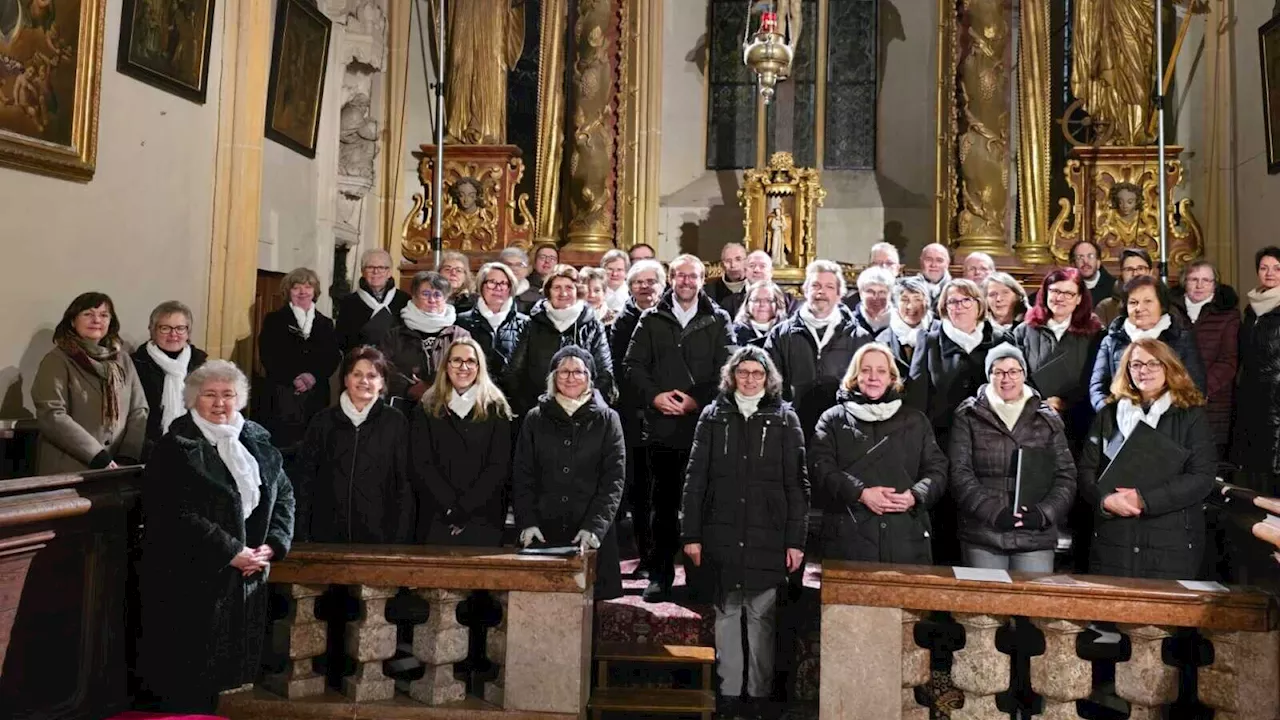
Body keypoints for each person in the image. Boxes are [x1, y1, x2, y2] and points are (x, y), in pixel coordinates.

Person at [137, 360, 294, 713]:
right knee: (194, 680)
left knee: (236, 683)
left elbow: (284, 493)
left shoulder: (255, 437)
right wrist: (232, 551)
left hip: (250, 570)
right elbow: (173, 512)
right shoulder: (175, 445)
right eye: (210, 395)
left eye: (228, 394)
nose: (220, 403)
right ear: (193, 399)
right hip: (194, 575)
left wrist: (272, 545)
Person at [681, 346, 809, 718]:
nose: (750, 379)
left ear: (768, 379)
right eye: (743, 372)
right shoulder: (712, 416)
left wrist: (795, 541)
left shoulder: (786, 419)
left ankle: (758, 695)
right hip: (720, 532)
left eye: (757, 373)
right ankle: (729, 693)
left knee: (761, 617)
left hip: (768, 535)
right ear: (731, 376)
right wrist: (691, 534)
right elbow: (695, 480)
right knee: (726, 614)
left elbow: (797, 486)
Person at [625, 254, 734, 602]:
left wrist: (697, 401)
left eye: (692, 276)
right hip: (662, 427)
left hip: (704, 427)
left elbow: (729, 367)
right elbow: (632, 365)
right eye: (679, 276)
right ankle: (660, 575)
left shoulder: (718, 319)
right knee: (663, 506)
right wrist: (655, 396)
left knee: (703, 506)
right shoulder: (651, 318)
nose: (685, 282)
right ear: (671, 279)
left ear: (703, 280)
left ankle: (700, 579)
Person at [1078, 339, 1215, 579]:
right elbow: (1087, 471)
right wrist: (1105, 500)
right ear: (1127, 370)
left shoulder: (1191, 414)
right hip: (1115, 537)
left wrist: (1144, 500)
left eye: (1154, 364)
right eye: (1136, 364)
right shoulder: (1109, 414)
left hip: (1171, 539)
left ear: (1168, 367)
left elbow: (1201, 477)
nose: (1144, 371)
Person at [810, 343, 946, 564]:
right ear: (855, 376)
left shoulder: (915, 420)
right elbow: (821, 467)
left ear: (892, 378)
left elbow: (937, 470)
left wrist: (914, 496)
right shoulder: (832, 419)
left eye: (881, 371)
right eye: (866, 370)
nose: (873, 377)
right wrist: (860, 493)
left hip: (905, 538)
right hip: (848, 538)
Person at [949, 344, 1077, 572]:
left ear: (1023, 375)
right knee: (986, 606)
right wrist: (992, 511)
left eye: (1013, 371)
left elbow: (1065, 476)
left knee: (1032, 606)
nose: (1006, 378)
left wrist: (1043, 514)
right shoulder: (968, 415)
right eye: (998, 372)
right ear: (989, 376)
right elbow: (960, 473)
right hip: (984, 533)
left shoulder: (1047, 418)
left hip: (1034, 535)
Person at [513, 346, 625, 598]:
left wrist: (594, 528)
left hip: (589, 531)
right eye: (563, 372)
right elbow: (523, 475)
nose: (571, 377)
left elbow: (613, 481)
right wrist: (528, 522)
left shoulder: (608, 420)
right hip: (544, 530)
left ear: (589, 377)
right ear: (553, 377)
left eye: (578, 371)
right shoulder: (534, 419)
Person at [292, 347, 413, 543]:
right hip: (325, 535)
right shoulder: (323, 421)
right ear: (346, 379)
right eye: (356, 374)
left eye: (372, 375)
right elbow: (305, 479)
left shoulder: (396, 422)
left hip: (380, 536)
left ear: (382, 383)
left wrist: (399, 537)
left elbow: (404, 484)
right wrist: (302, 532)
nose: (364, 381)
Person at [412, 338, 514, 545]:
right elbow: (422, 463)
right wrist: (449, 507)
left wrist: (464, 508)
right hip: (437, 516)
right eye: (456, 360)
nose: (463, 367)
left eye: (470, 361)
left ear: (479, 367)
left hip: (484, 518)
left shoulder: (496, 408)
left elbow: (498, 466)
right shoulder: (427, 407)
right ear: (446, 366)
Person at [32, 292, 148, 473]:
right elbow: (52, 414)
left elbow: (138, 409)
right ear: (72, 321)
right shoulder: (57, 359)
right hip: (70, 467)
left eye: (103, 315)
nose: (96, 320)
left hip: (118, 467)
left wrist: (128, 455)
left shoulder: (123, 359)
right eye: (88, 314)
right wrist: (97, 455)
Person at [767, 260, 873, 438]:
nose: (821, 292)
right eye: (815, 285)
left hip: (843, 431)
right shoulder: (781, 334)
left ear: (840, 294)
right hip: (793, 429)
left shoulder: (859, 337)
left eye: (829, 286)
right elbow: (771, 384)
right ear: (805, 290)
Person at [907, 278, 1012, 450]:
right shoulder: (930, 341)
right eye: (953, 301)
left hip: (992, 438)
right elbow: (916, 396)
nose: (959, 306)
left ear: (979, 304)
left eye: (966, 300)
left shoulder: (1000, 340)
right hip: (942, 439)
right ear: (945, 308)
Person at [609, 259, 666, 574]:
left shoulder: (671, 316)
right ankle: (646, 556)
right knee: (641, 491)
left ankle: (665, 557)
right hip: (635, 415)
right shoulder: (623, 321)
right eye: (638, 283)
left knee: (667, 492)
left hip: (671, 414)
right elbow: (621, 367)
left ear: (661, 285)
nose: (645, 287)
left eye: (650, 281)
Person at [507, 264, 615, 413]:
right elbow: (514, 370)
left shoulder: (592, 325)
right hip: (538, 410)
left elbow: (604, 372)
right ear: (548, 292)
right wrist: (528, 406)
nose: (563, 293)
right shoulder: (532, 324)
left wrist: (584, 406)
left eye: (569, 287)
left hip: (581, 412)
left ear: (577, 290)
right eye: (557, 287)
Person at [1089, 276, 1205, 413]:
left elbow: (1197, 386)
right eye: (1133, 302)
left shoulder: (1181, 338)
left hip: (1172, 421)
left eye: (1148, 301)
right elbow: (1097, 387)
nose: (1139, 308)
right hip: (1121, 420)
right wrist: (1108, 413)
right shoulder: (1112, 340)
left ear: (1161, 305)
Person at [1014, 268, 1103, 443]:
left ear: (1079, 299)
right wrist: (1041, 402)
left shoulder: (1095, 333)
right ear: (1045, 293)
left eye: (1068, 293)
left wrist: (1066, 403)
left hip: (1079, 420)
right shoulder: (1024, 331)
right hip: (1032, 418)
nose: (1060, 298)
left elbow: (1096, 376)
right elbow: (1016, 373)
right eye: (1055, 291)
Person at [256, 268, 340, 451]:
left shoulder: (325, 323)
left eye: (308, 287)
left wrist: (313, 377)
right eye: (296, 287)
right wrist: (293, 377)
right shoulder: (274, 320)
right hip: (282, 396)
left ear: (315, 291)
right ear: (288, 292)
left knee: (314, 449)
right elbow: (268, 355)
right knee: (283, 448)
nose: (303, 292)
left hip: (316, 396)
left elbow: (332, 356)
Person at [1170, 260, 1239, 458]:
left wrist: (1200, 389)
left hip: (1213, 399)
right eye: (1194, 279)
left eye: (1206, 280)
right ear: (1184, 282)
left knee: (1209, 461)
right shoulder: (1169, 311)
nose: (1199, 285)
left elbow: (1228, 361)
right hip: (1173, 395)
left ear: (1215, 284)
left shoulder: (1228, 315)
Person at [381, 271, 472, 409]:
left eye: (437, 294)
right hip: (403, 407)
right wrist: (410, 388)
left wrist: (435, 388)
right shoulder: (394, 332)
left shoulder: (460, 335)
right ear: (414, 297)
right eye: (425, 294)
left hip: (448, 407)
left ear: (446, 298)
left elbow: (469, 370)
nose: (432, 300)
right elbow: (383, 369)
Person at [133, 300, 208, 458]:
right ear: (153, 331)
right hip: (147, 450)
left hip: (195, 447)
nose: (173, 334)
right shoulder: (136, 364)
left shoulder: (202, 365)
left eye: (180, 328)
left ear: (188, 332)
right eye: (165, 328)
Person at [1236, 246, 1280, 495]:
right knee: (1255, 470)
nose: (1270, 273)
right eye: (1264, 268)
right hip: (1252, 395)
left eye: (1277, 268)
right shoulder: (1251, 309)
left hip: (1277, 396)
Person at [455, 261, 529, 391]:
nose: (498, 288)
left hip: (514, 397)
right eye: (492, 282)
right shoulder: (462, 321)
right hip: (472, 393)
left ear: (510, 288)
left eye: (503, 283)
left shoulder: (525, 323)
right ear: (481, 286)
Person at [335, 248, 410, 352]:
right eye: (370, 267)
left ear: (389, 272)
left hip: (397, 363)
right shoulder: (349, 302)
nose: (376, 271)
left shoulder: (404, 300)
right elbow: (342, 341)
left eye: (381, 267)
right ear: (362, 271)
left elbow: (409, 338)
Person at [877, 276, 932, 381]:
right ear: (895, 304)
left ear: (927, 303)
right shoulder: (882, 341)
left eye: (917, 299)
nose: (911, 306)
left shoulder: (940, 333)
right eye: (904, 300)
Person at [723, 250, 796, 319]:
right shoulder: (729, 303)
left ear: (771, 271)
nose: (756, 270)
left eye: (762, 266)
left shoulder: (789, 301)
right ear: (745, 271)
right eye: (752, 266)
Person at [1094, 248, 1153, 327]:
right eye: (1129, 269)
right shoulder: (1105, 308)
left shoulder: (1163, 305)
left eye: (1140, 268)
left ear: (1150, 272)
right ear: (1121, 273)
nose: (1135, 274)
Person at [731, 281, 790, 348]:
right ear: (747, 304)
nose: (762, 304)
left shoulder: (787, 332)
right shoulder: (735, 333)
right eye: (756, 300)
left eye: (769, 300)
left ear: (778, 304)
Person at [1071, 240, 1115, 308]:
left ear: (1098, 262)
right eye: (1080, 257)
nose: (1085, 261)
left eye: (1090, 256)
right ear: (1073, 264)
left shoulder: (1115, 288)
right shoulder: (1066, 288)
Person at [851, 266, 894, 334]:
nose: (876, 297)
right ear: (860, 293)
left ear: (890, 294)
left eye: (882, 292)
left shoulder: (901, 324)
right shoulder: (849, 323)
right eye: (870, 291)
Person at [499, 246, 542, 313]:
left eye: (519, 265)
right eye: (509, 264)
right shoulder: (489, 291)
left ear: (527, 269)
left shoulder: (537, 296)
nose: (514, 268)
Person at [706, 242, 749, 311]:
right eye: (728, 261)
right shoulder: (709, 292)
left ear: (747, 262)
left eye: (738, 259)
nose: (733, 265)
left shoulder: (756, 288)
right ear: (722, 265)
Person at [600, 248, 631, 314]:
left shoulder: (633, 293)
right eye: (610, 269)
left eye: (619, 270)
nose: (614, 274)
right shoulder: (594, 292)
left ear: (626, 272)